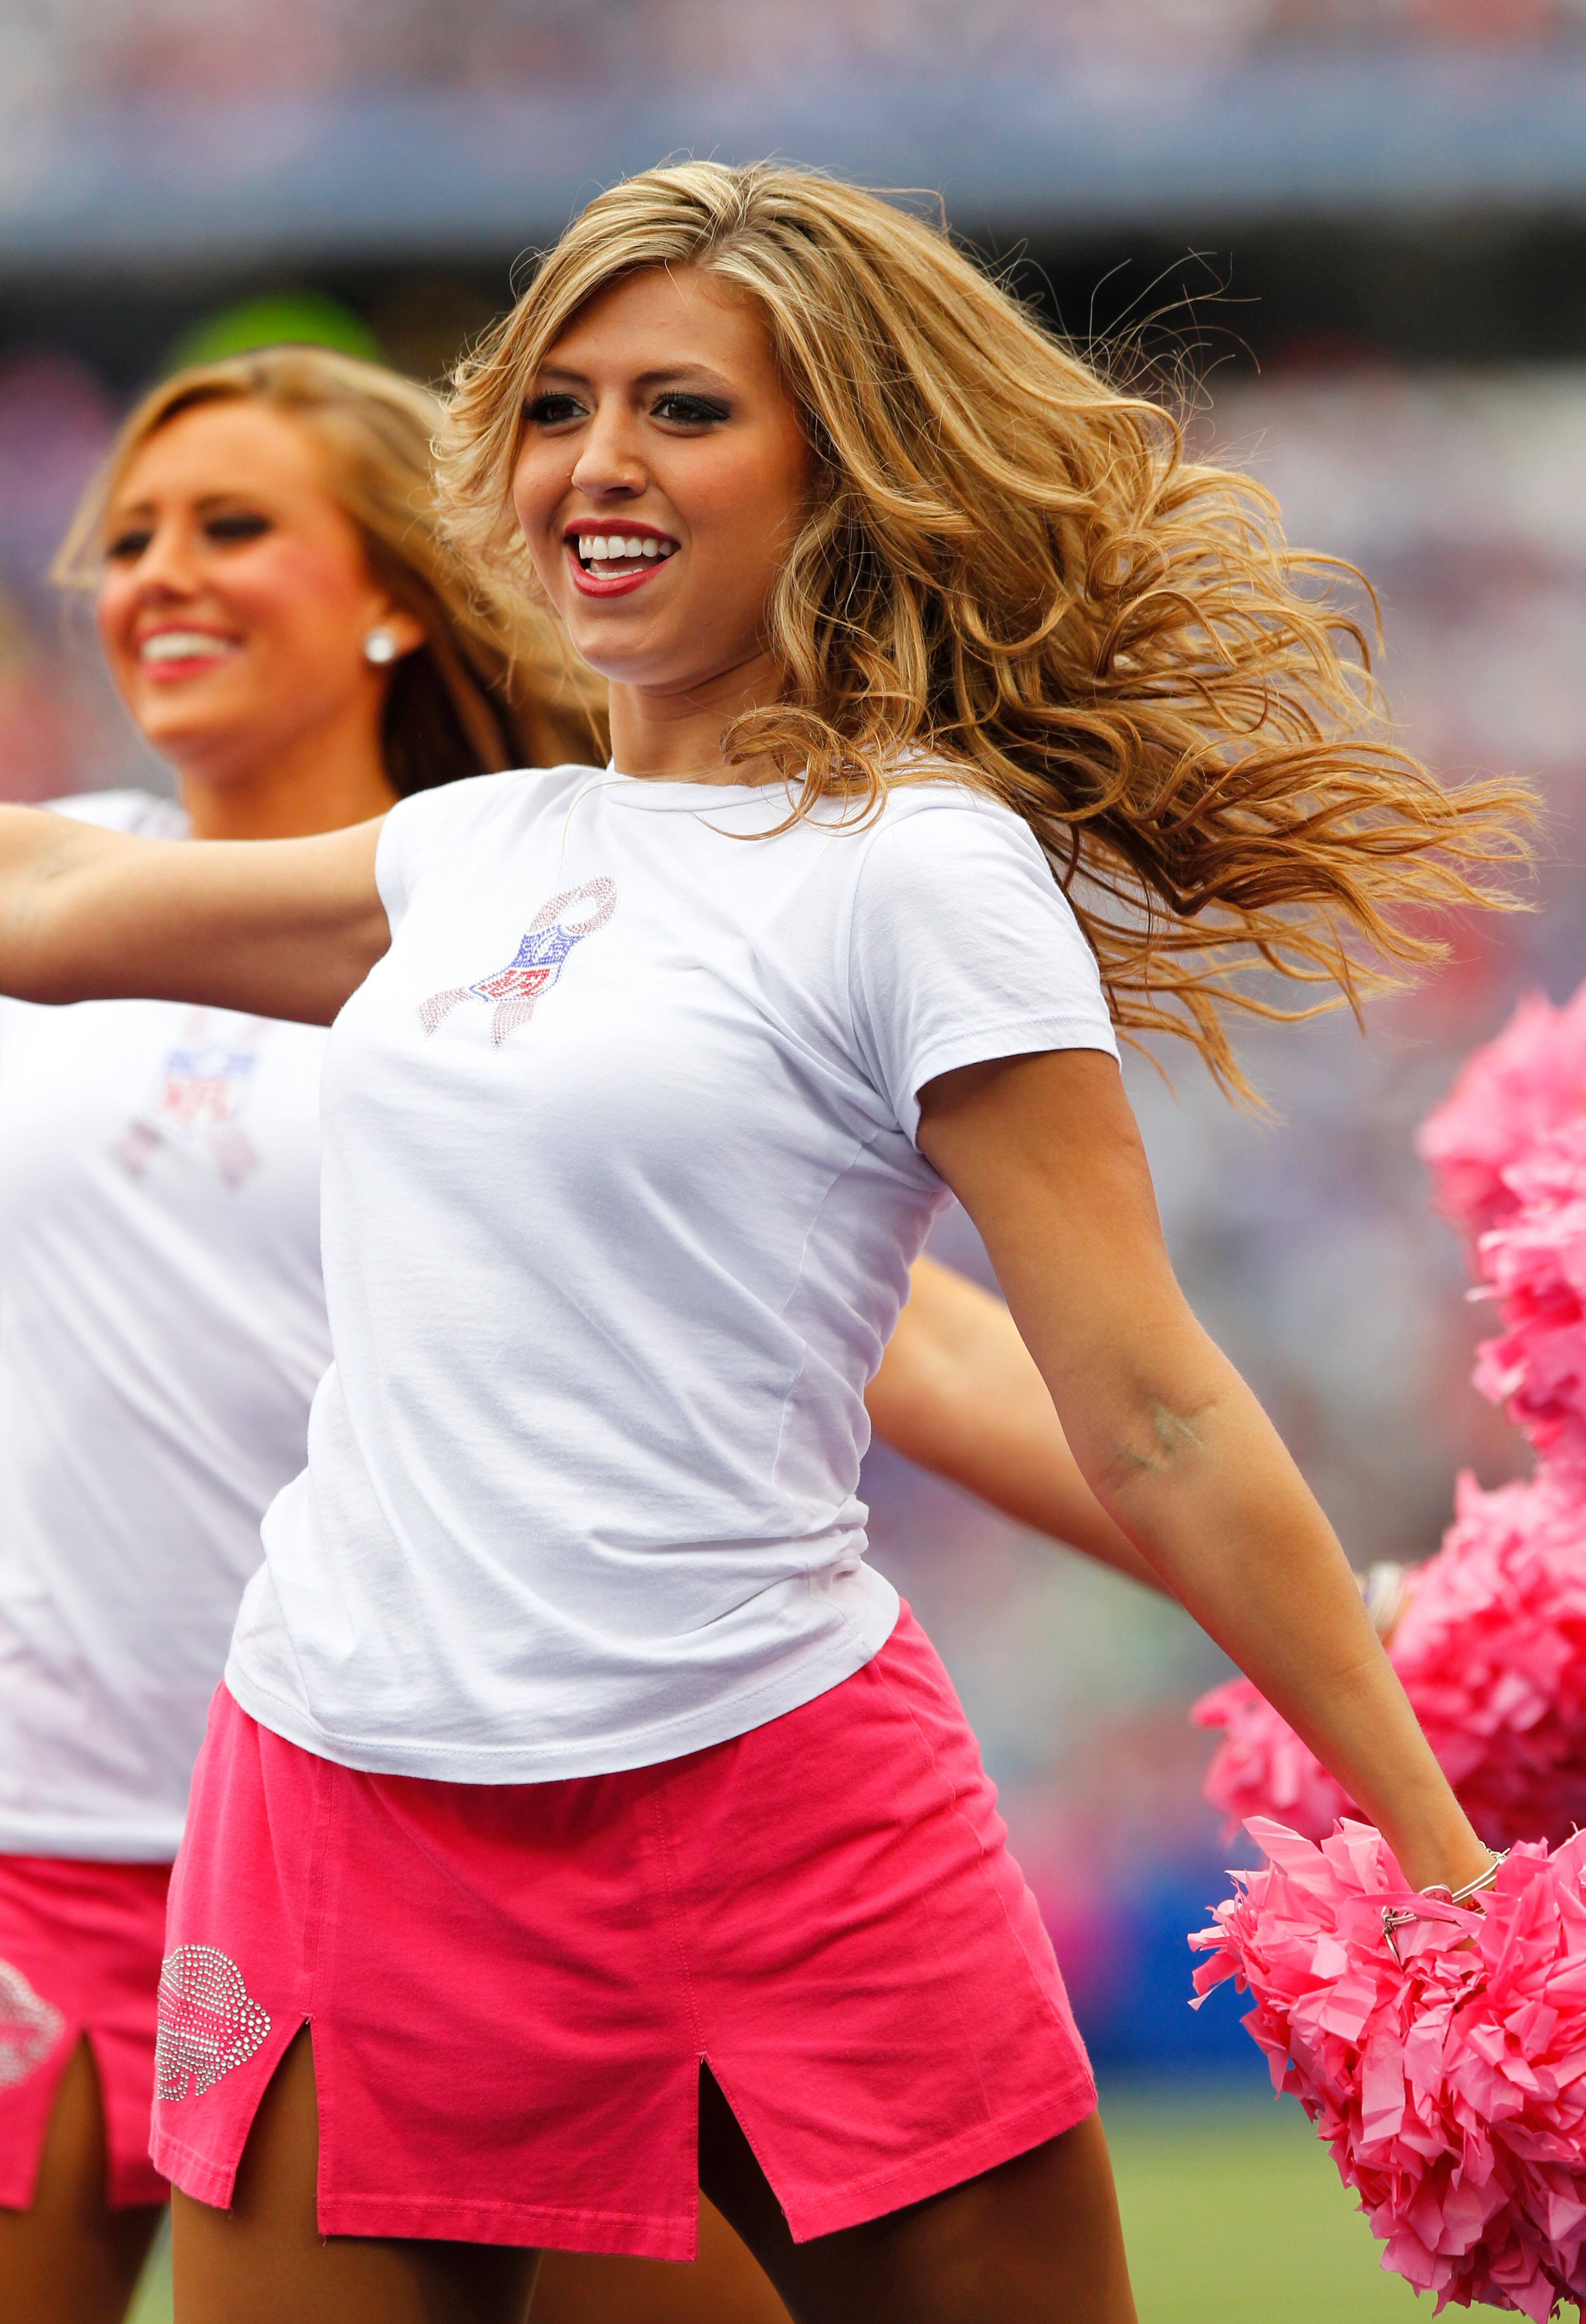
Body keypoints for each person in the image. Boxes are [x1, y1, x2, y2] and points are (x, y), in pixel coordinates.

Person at [0, 166, 1531, 2324]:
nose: (598, 461)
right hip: (338, 1797)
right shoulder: (473, 847)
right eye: (557, 406)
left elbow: (1152, 1404)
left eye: (683, 410)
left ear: (836, 470)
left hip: (769, 1813)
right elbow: (50, 916)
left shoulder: (917, 869)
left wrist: (1439, 1866)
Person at [0, 339, 1152, 2324]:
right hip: (73, 1832)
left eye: (233, 527)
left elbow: (937, 1357)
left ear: (387, 592)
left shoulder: (527, 932)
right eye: (125, 541)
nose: (157, 575)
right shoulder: (70, 879)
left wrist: (1320, 1592)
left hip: (455, 1809)